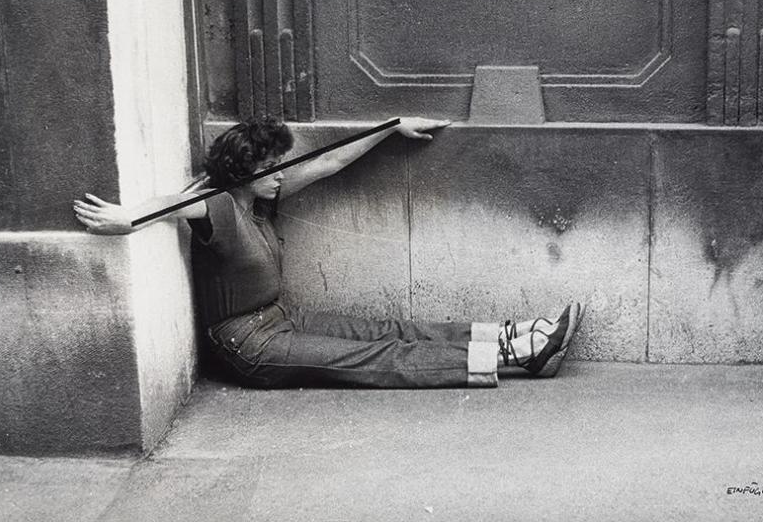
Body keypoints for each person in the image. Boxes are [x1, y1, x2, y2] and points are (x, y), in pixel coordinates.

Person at [73, 116, 582, 389]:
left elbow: (327, 164)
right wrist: (127, 219)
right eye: (271, 167)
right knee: (373, 357)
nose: (280, 174)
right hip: (247, 344)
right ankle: (517, 356)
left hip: (279, 317)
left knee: (388, 330)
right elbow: (173, 203)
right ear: (245, 172)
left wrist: (390, 126)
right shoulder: (221, 207)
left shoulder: (263, 200)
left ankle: (513, 333)